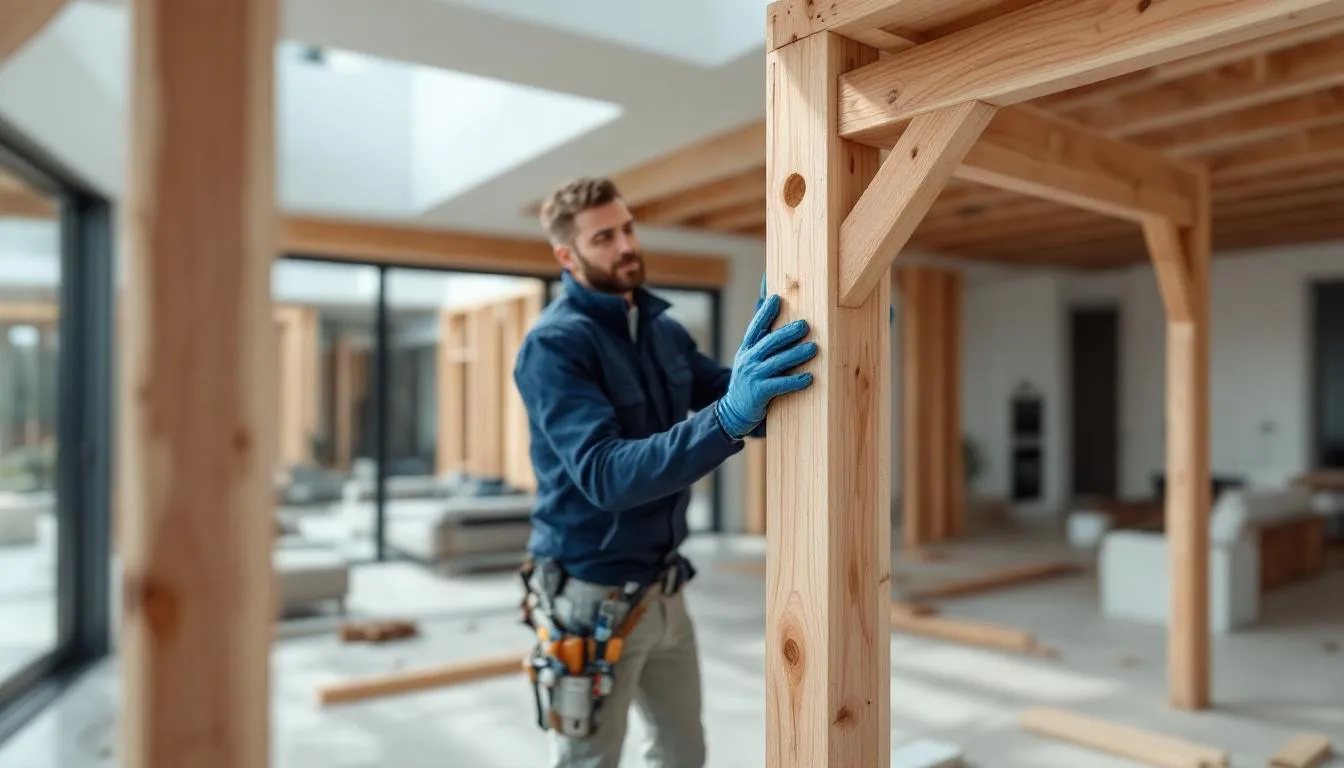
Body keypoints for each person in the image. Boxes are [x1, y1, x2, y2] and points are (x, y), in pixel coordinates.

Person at [513, 177, 817, 768]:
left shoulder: (662, 332)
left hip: (665, 589)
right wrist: (727, 416)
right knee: (588, 761)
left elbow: (747, 403)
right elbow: (605, 474)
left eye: (627, 228)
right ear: (567, 257)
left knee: (683, 755)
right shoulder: (554, 347)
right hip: (591, 598)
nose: (627, 245)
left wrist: (830, 343)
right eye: (604, 238)